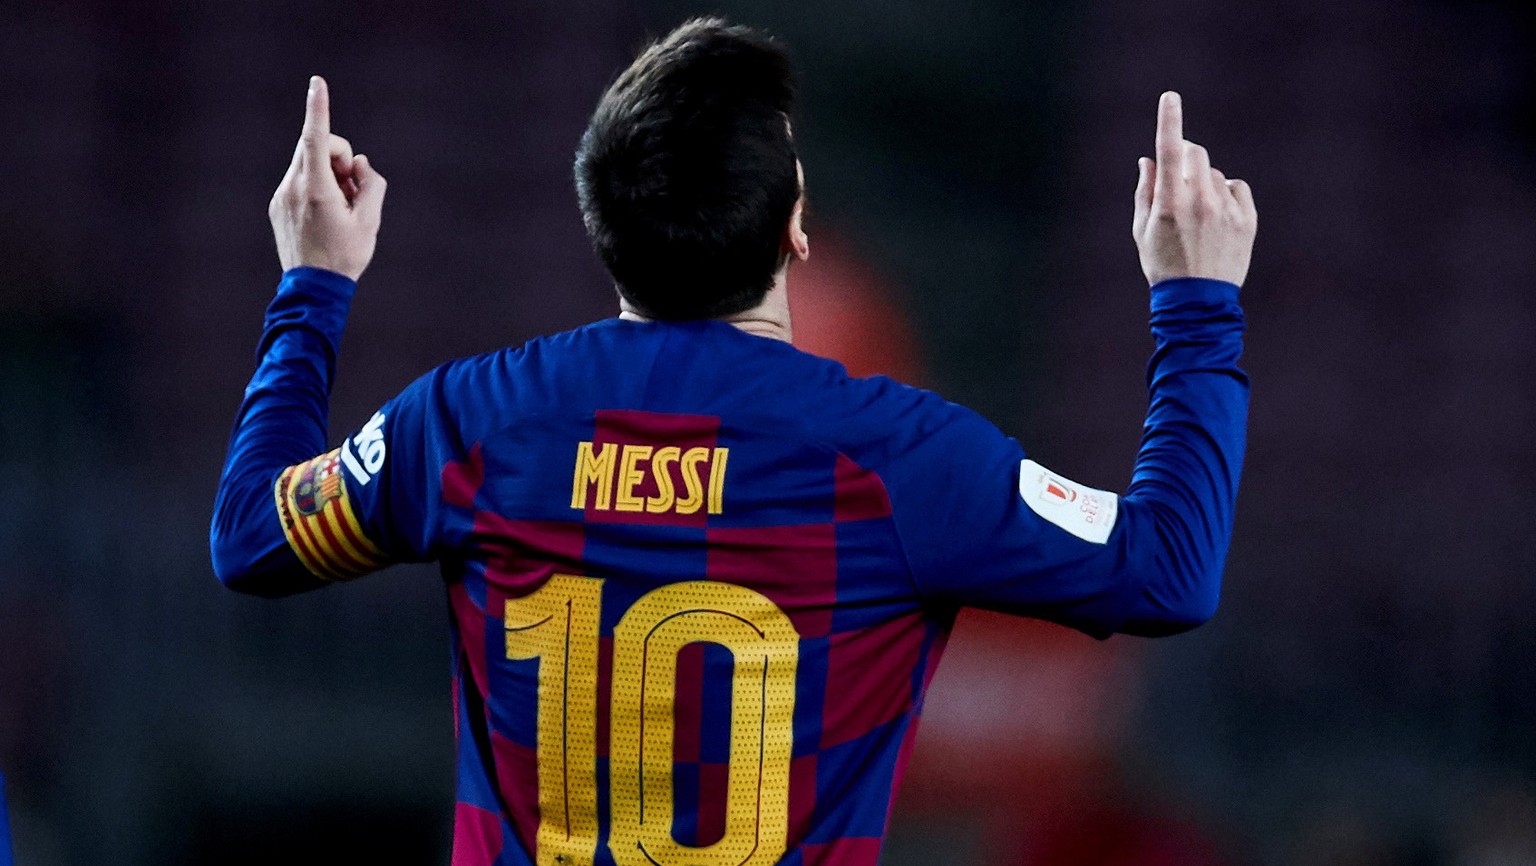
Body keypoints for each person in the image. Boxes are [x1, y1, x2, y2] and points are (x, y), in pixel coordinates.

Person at [210, 18, 1255, 866]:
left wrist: (313, 287)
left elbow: (251, 536)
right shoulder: (896, 456)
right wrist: (1196, 303)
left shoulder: (471, 421)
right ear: (796, 225)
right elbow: (1169, 571)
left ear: (602, 226)